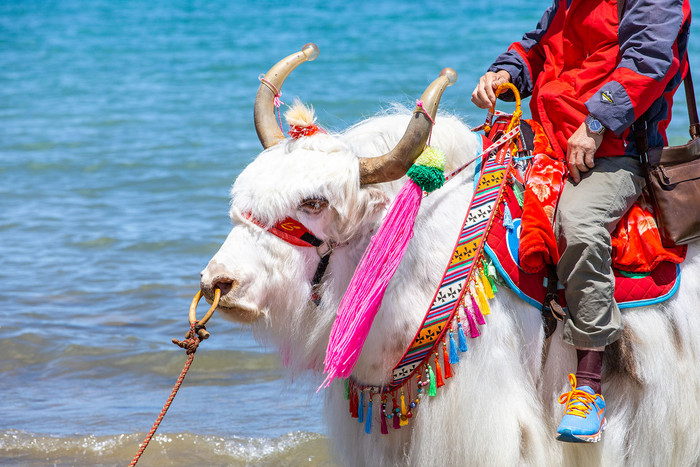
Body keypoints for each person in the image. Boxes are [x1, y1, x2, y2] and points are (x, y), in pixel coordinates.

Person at [471, 0, 692, 443]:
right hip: (552, 134)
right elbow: (538, 47)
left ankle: (588, 389)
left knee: (579, 226)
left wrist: (596, 124)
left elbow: (649, 61)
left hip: (615, 148)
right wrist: (505, 73)